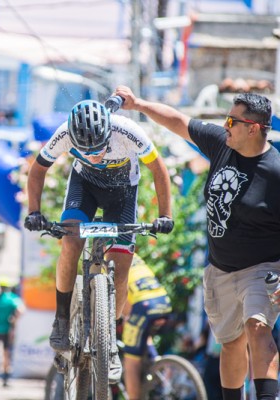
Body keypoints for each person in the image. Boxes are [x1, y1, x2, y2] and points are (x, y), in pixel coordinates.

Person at [114, 85, 280, 400]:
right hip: (219, 270)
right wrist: (137, 104)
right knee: (230, 343)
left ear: (254, 129)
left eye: (233, 122)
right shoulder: (222, 144)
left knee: (258, 329)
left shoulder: (275, 173)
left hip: (263, 268)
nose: (225, 126)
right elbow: (178, 121)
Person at [24, 99, 174, 383]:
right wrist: (34, 211)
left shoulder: (127, 130)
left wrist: (165, 215)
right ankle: (62, 319)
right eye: (86, 150)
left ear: (108, 132)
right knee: (70, 243)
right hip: (85, 189)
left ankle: (109, 343)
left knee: (122, 262)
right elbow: (38, 169)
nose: (93, 155)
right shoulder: (65, 134)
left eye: (99, 148)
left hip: (122, 194)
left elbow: (159, 169)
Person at [121, 253, 172, 400]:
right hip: (163, 301)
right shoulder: (132, 254)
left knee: (131, 360)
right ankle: (158, 367)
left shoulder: (107, 259)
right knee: (142, 334)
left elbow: (122, 298)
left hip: (143, 305)